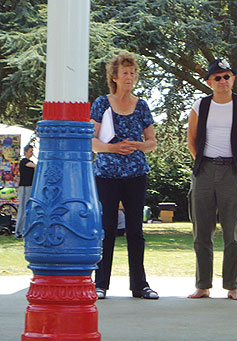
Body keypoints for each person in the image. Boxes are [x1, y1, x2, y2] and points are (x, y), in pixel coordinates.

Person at [90, 52, 158, 300]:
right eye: (125, 73)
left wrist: (137, 145)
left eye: (133, 73)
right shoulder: (101, 103)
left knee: (135, 230)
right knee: (106, 228)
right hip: (107, 175)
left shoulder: (141, 105)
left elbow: (152, 143)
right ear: (114, 77)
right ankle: (100, 284)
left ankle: (140, 285)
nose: (130, 77)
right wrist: (114, 148)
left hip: (136, 174)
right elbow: (93, 142)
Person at [187, 58, 237, 300]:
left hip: (233, 171)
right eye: (218, 77)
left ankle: (232, 286)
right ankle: (203, 284)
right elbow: (192, 139)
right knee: (202, 231)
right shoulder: (200, 105)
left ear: (233, 79)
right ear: (209, 82)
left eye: (227, 76)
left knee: (232, 233)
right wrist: (202, 162)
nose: (223, 81)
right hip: (204, 170)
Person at [14, 144, 36, 238]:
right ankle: (18, 232)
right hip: (24, 187)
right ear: (26, 152)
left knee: (27, 210)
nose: (32, 153)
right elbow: (35, 166)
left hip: (29, 187)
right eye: (30, 151)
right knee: (23, 209)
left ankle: (23, 230)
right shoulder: (24, 161)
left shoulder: (29, 161)